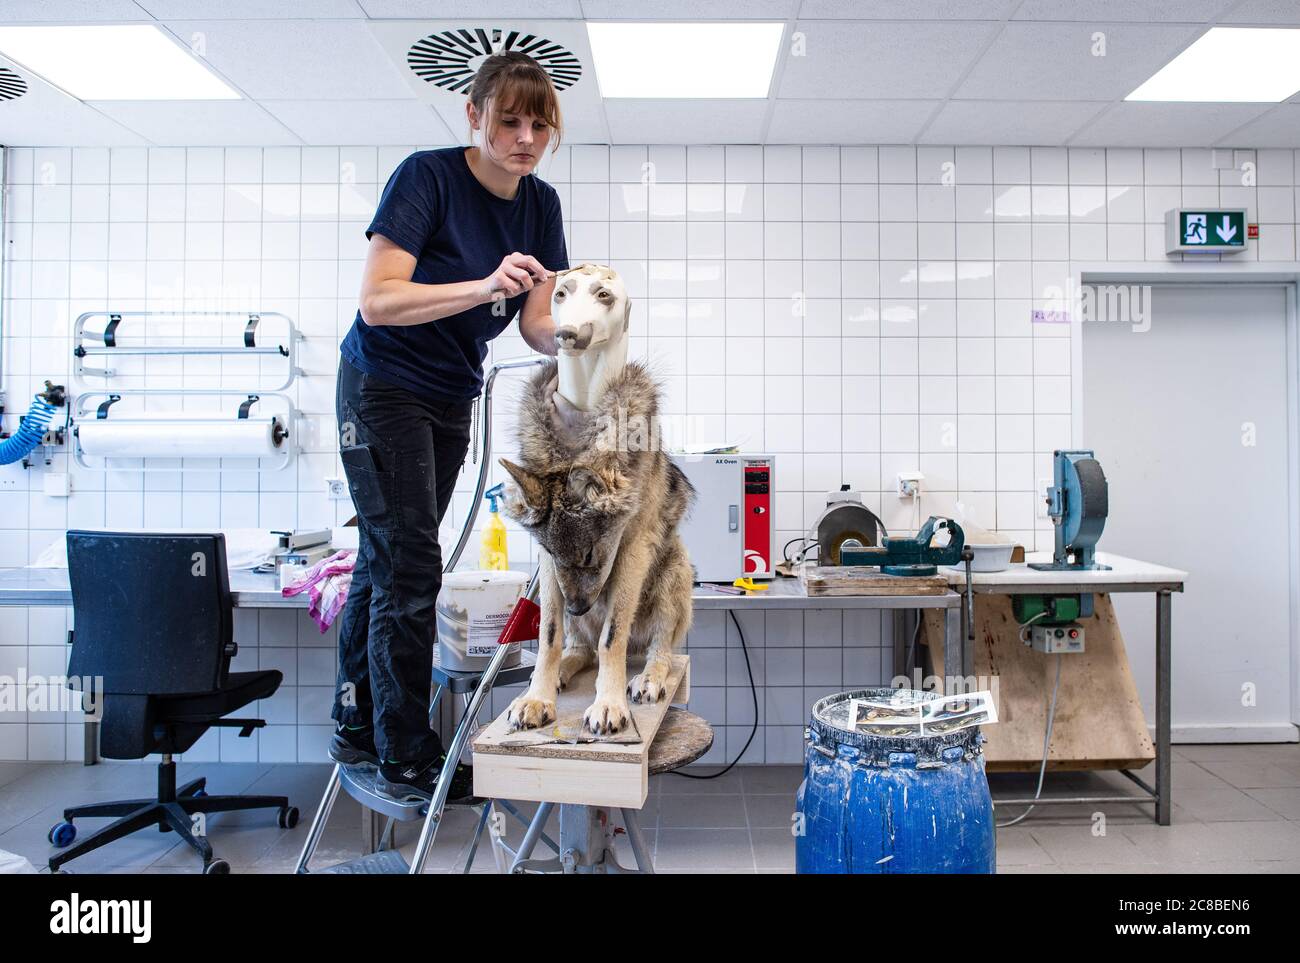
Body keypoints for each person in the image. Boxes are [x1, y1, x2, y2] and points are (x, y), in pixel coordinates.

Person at [329, 51, 568, 802]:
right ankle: (406, 750)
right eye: (509, 121)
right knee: (409, 567)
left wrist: (583, 339)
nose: (525, 137)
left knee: (387, 561)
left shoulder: (542, 205)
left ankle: (356, 719)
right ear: (475, 116)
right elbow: (378, 301)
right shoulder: (426, 178)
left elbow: (534, 324)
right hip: (380, 385)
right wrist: (483, 283)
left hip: (449, 394)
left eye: (540, 124)